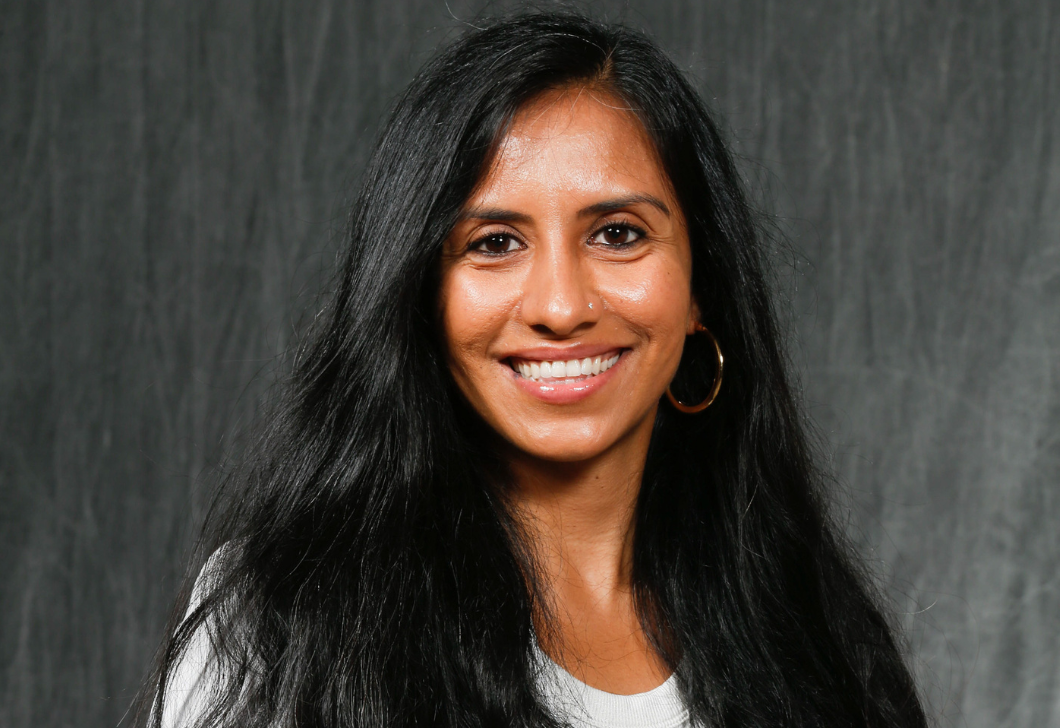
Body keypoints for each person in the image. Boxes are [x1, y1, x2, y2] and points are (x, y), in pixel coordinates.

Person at [140, 11, 927, 728]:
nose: (560, 304)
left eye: (619, 234)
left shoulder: (815, 632)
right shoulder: (283, 621)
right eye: (493, 243)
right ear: (419, 296)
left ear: (701, 287)